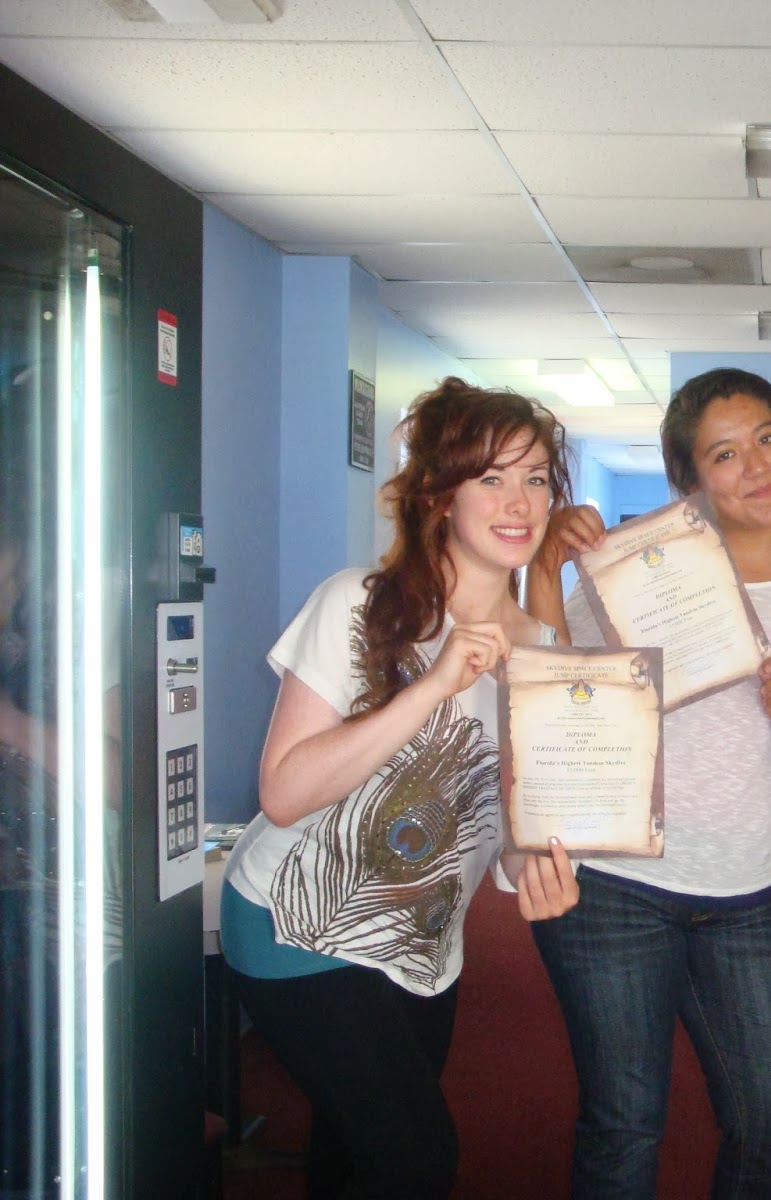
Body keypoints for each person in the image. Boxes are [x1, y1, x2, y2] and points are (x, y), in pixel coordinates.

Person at [219, 377, 582, 1200]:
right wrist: (433, 686)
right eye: (490, 477)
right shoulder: (358, 603)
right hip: (296, 922)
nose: (519, 501)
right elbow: (282, 791)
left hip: (424, 949)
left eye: (535, 478)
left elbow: (511, 822)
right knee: (417, 1160)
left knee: (357, 1153)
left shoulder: (545, 653)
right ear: (438, 495)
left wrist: (538, 868)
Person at [524, 368, 771, 1200]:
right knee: (624, 1123)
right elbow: (558, 687)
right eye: (725, 454)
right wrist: (546, 570)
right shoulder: (637, 567)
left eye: (768, 439)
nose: (757, 466)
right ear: (689, 478)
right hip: (615, 882)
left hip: (751, 886)